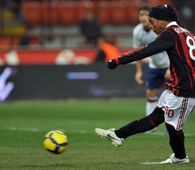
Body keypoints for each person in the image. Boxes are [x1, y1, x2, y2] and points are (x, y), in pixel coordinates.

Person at [95, 4, 195, 164]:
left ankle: (180, 157)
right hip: (176, 87)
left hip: (185, 89)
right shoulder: (185, 32)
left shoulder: (169, 33)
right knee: (156, 118)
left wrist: (117, 60)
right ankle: (118, 134)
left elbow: (145, 50)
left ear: (163, 20)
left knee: (172, 125)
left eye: (152, 21)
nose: (150, 25)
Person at [133, 4, 170, 132]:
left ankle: (170, 126)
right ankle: (150, 127)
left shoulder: (160, 28)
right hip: (154, 66)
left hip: (168, 66)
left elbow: (172, 48)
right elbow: (137, 52)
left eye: (145, 15)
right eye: (141, 14)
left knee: (172, 95)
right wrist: (138, 72)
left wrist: (171, 67)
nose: (143, 17)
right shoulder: (137, 32)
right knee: (150, 93)